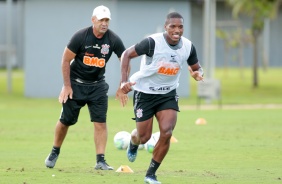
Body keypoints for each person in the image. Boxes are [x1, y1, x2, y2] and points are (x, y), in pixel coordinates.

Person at [118, 12, 204, 183]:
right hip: (145, 93)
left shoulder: (188, 46)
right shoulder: (152, 42)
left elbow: (197, 67)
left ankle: (150, 174)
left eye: (180, 27)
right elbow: (126, 54)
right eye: (173, 26)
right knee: (144, 137)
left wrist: (197, 74)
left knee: (167, 132)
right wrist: (123, 82)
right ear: (166, 27)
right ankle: (133, 142)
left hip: (168, 94)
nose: (176, 30)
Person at [45, 5, 127, 170]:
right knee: (66, 121)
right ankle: (55, 151)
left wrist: (122, 85)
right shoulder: (80, 37)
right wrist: (67, 86)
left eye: (107, 20)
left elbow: (125, 60)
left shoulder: (113, 40)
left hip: (98, 86)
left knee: (100, 123)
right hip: (76, 85)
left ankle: (100, 160)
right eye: (101, 20)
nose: (104, 23)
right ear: (93, 20)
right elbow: (65, 60)